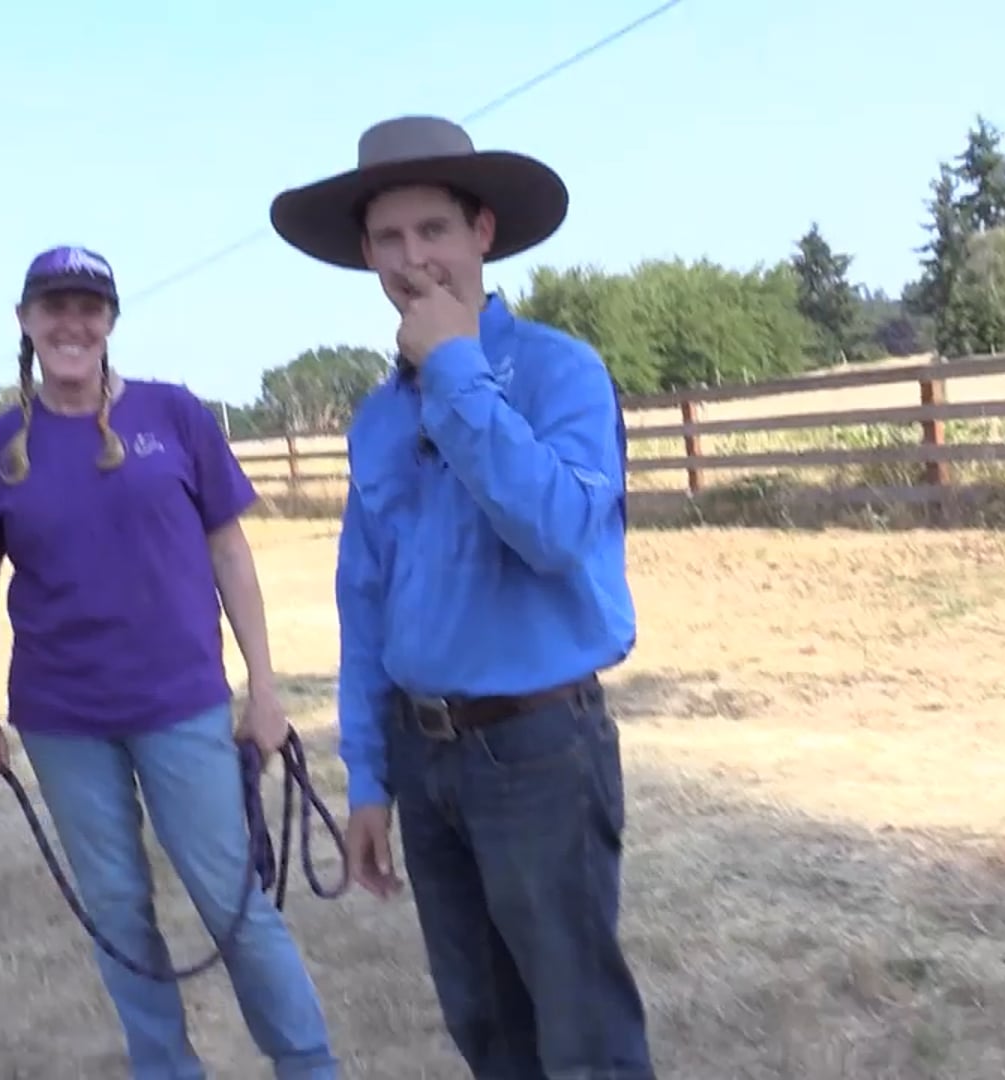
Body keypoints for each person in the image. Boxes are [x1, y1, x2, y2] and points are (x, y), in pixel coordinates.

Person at [268, 116, 655, 1077]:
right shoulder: (376, 418)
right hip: (424, 752)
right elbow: (364, 601)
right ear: (366, 255)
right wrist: (367, 775)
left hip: (538, 748)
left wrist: (454, 367)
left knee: (580, 1029)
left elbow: (558, 532)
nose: (414, 260)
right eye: (390, 240)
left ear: (482, 230)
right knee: (485, 1025)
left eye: (433, 230)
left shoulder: (561, 372)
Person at [0, 243, 339, 1079]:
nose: (72, 322)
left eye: (89, 307)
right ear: (26, 322)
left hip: (183, 705)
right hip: (62, 721)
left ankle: (308, 1065)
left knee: (231, 901)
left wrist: (263, 690)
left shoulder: (175, 416)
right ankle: (165, 1068)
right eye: (54, 307)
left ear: (111, 322)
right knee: (118, 913)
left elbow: (231, 554)